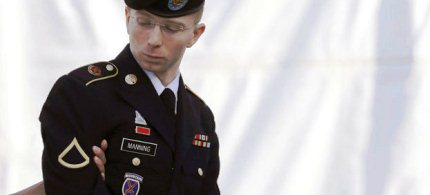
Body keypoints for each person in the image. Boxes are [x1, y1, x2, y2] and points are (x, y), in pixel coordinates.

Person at [39, 0, 220, 194]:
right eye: (144, 22)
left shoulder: (200, 117)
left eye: (171, 28)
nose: (154, 40)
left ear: (195, 34)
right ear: (127, 18)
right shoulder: (82, 93)